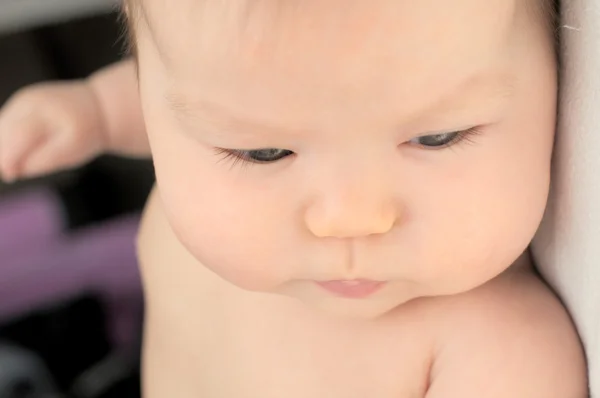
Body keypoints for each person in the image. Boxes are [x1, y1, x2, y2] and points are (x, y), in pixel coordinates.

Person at [0, 0, 588, 396]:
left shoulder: (498, 354)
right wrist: (96, 112)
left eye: (437, 137)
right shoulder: (201, 125)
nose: (350, 220)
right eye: (263, 153)